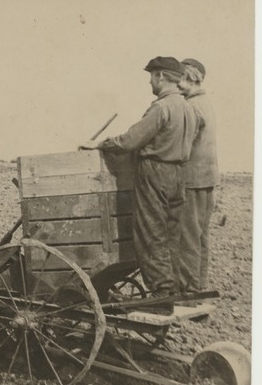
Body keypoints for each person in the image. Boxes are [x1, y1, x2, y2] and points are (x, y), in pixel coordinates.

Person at [80, 56, 203, 315]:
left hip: (156, 173)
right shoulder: (190, 109)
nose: (150, 82)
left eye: (151, 76)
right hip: (179, 175)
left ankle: (160, 294)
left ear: (160, 76)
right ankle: (171, 289)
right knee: (171, 234)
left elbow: (130, 140)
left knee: (151, 232)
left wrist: (100, 144)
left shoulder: (161, 108)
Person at [177, 58, 218, 293]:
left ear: (190, 78)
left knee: (188, 238)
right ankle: (199, 288)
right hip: (207, 179)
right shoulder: (206, 102)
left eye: (180, 79)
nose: (177, 85)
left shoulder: (191, 107)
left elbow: (182, 146)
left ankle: (189, 291)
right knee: (201, 237)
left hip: (192, 181)